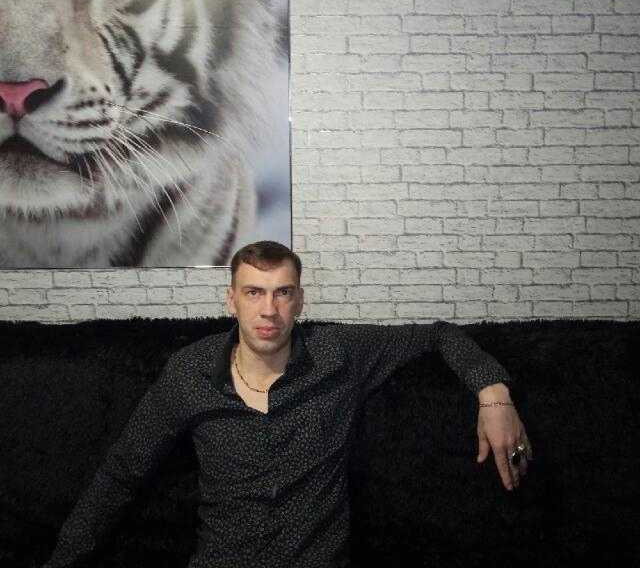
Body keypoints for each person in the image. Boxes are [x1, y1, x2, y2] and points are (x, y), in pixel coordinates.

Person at [44, 240, 532, 568]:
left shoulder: (337, 357)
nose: (269, 310)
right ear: (231, 300)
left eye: (282, 293)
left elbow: (437, 335)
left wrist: (494, 394)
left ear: (300, 301)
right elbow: (122, 475)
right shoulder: (190, 373)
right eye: (253, 292)